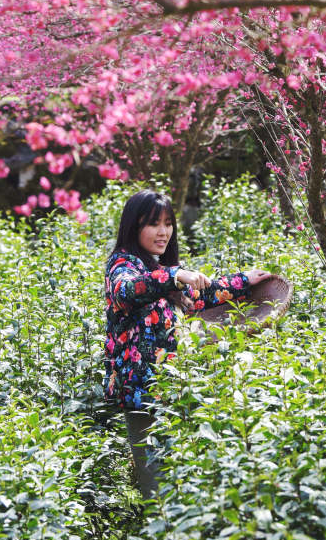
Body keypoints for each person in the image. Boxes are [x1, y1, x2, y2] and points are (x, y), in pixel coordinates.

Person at [103, 188, 267, 498]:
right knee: (156, 485)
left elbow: (199, 297)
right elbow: (128, 290)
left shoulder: (155, 267)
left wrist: (244, 281)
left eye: (168, 223)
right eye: (153, 224)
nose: (163, 231)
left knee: (179, 478)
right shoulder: (122, 265)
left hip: (172, 388)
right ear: (134, 226)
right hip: (141, 393)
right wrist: (176, 274)